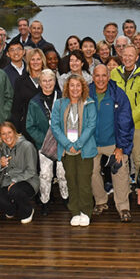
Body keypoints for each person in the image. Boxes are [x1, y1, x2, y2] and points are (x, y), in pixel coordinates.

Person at [50, 74, 97, 227]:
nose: (75, 89)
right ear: (67, 87)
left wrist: (77, 144)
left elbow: (91, 126)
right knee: (71, 179)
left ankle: (85, 211)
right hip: (66, 150)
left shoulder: (89, 103)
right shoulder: (59, 104)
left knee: (83, 181)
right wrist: (66, 143)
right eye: (72, 85)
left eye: (78, 85)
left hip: (84, 149)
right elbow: (55, 126)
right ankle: (75, 211)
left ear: (83, 87)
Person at [88, 65, 134, 221]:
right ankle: (101, 201)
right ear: (92, 77)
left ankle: (123, 207)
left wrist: (121, 147)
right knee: (91, 170)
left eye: (103, 76)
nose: (100, 79)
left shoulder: (118, 95)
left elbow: (125, 122)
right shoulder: (86, 93)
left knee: (120, 168)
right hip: (92, 142)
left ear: (108, 77)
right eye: (97, 76)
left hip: (113, 142)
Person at [25, 69, 68, 215]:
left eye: (50, 80)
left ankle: (66, 197)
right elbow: (30, 126)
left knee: (63, 173)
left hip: (63, 143)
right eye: (44, 81)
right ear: (40, 82)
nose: (47, 83)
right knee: (45, 174)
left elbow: (71, 120)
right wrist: (45, 140)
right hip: (44, 144)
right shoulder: (34, 102)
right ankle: (45, 201)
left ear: (55, 82)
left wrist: (64, 138)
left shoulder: (64, 99)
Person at [110, 44, 140, 184]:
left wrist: (127, 120)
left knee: (138, 158)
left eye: (131, 55)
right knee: (120, 157)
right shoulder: (114, 74)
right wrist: (120, 121)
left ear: (136, 58)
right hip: (117, 125)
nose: (127, 58)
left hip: (137, 124)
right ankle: (124, 186)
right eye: (125, 55)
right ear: (121, 57)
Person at [0, 121, 39, 224]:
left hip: (28, 180)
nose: (7, 136)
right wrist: (1, 165)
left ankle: (28, 211)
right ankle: (14, 208)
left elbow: (31, 171)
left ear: (15, 132)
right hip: (7, 181)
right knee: (0, 201)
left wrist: (15, 180)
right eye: (3, 134)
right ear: (0, 136)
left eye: (9, 132)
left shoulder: (27, 146)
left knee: (15, 191)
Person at [11, 48, 47, 133]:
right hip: (28, 127)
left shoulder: (50, 78)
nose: (35, 62)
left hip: (48, 126)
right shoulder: (20, 81)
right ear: (28, 62)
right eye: (32, 59)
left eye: (38, 59)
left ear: (43, 61)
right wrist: (16, 131)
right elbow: (16, 109)